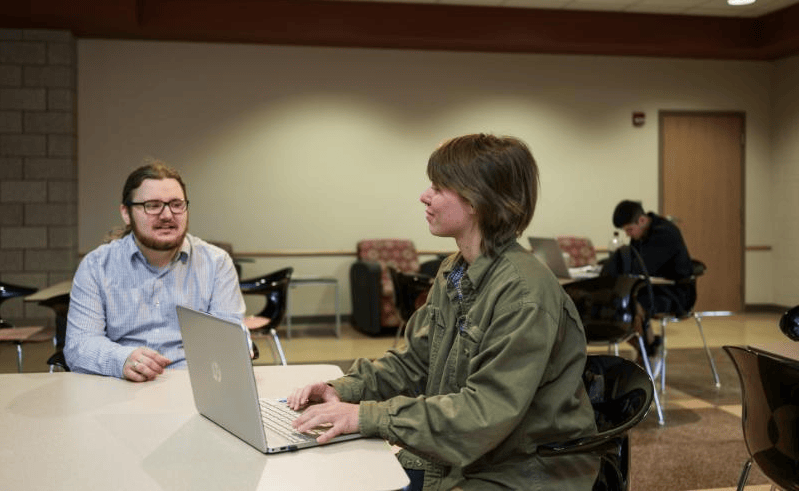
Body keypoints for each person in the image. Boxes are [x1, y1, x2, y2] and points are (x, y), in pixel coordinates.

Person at [288, 134, 597, 490]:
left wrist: (367, 416)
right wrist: (343, 390)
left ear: (478, 200)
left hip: (523, 469)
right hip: (467, 456)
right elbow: (415, 363)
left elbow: (484, 413)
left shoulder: (524, 294)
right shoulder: (455, 270)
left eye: (438, 186)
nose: (424, 195)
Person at [64, 160, 245, 382]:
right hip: (120, 385)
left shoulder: (216, 263)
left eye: (176, 204)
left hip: (194, 386)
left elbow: (228, 339)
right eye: (152, 205)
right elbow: (79, 344)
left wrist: (236, 346)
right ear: (126, 213)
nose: (167, 215)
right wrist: (122, 359)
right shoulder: (96, 266)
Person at [607, 200, 694, 357]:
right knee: (613, 304)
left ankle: (646, 353)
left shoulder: (666, 233)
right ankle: (650, 346)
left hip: (677, 293)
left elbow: (640, 268)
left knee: (631, 304)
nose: (628, 235)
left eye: (629, 230)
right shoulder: (640, 234)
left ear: (641, 220)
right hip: (652, 288)